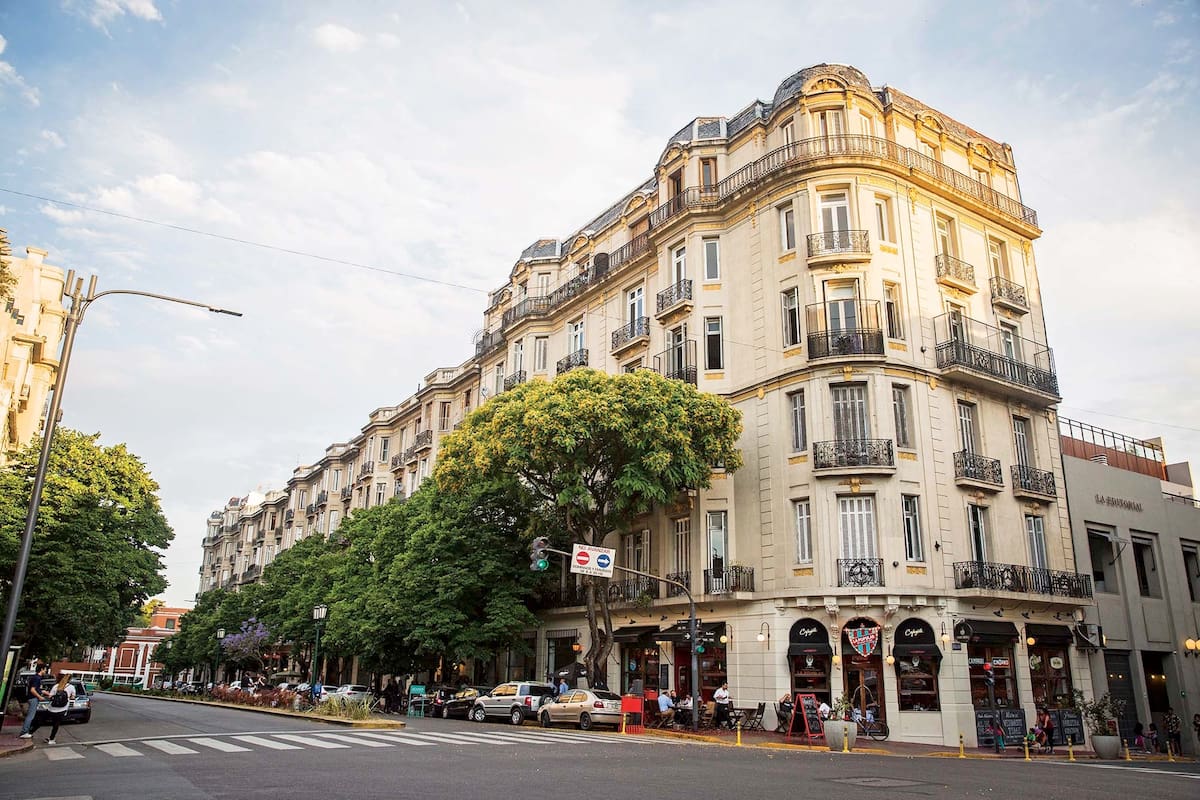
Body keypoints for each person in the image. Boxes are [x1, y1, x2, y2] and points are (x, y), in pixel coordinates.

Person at [29, 673, 74, 745]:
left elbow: (50, 696)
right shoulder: (71, 687)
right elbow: (73, 697)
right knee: (56, 725)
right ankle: (51, 739)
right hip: (62, 709)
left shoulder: (56, 686)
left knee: (41, 721)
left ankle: (30, 733)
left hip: (51, 708)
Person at [17, 664, 49, 740]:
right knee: (30, 716)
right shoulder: (37, 678)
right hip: (33, 698)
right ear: (41, 669)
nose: (46, 671)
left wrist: (44, 692)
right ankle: (24, 732)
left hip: (32, 698)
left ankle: (26, 731)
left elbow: (36, 689)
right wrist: (39, 697)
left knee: (31, 715)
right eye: (45, 669)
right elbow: (32, 690)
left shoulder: (36, 677)